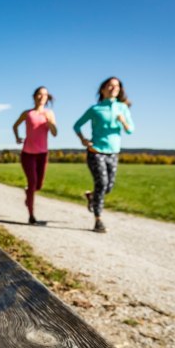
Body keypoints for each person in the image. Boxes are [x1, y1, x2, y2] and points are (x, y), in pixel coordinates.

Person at [73, 77, 134, 233]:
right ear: (103, 89)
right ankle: (98, 220)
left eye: (117, 86)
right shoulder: (95, 109)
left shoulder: (122, 108)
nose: (114, 88)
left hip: (113, 152)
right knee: (101, 183)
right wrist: (84, 140)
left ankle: (92, 196)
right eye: (110, 85)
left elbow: (130, 130)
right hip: (96, 151)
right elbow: (77, 125)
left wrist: (123, 121)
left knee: (108, 187)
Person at [12, 86, 57, 224]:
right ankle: (31, 215)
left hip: (42, 154)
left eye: (45, 94)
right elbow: (15, 126)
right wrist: (17, 137)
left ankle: (28, 194)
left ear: (47, 98)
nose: (42, 97)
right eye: (39, 94)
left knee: (38, 186)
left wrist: (49, 122)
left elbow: (55, 133)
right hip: (27, 154)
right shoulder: (27, 113)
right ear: (34, 96)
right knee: (32, 183)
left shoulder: (49, 113)